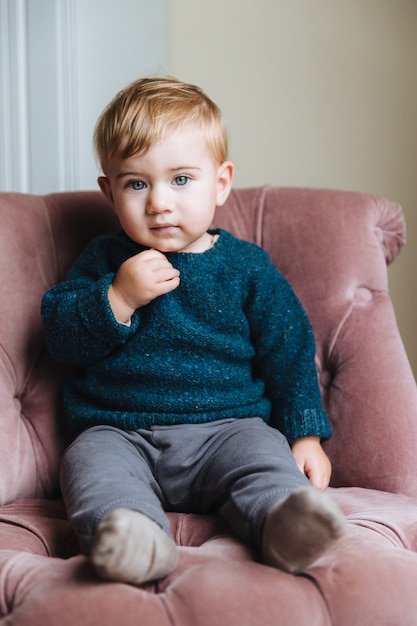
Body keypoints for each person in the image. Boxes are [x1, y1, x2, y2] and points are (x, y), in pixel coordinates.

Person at [41, 75, 345, 585]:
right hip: (120, 431)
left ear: (221, 182)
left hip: (229, 429)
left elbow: (288, 351)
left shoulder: (246, 267)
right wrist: (116, 298)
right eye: (137, 183)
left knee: (264, 461)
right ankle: (134, 540)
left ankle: (285, 525)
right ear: (109, 191)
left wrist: (306, 434)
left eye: (181, 180)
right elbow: (60, 339)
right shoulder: (104, 261)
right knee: (90, 467)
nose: (159, 202)